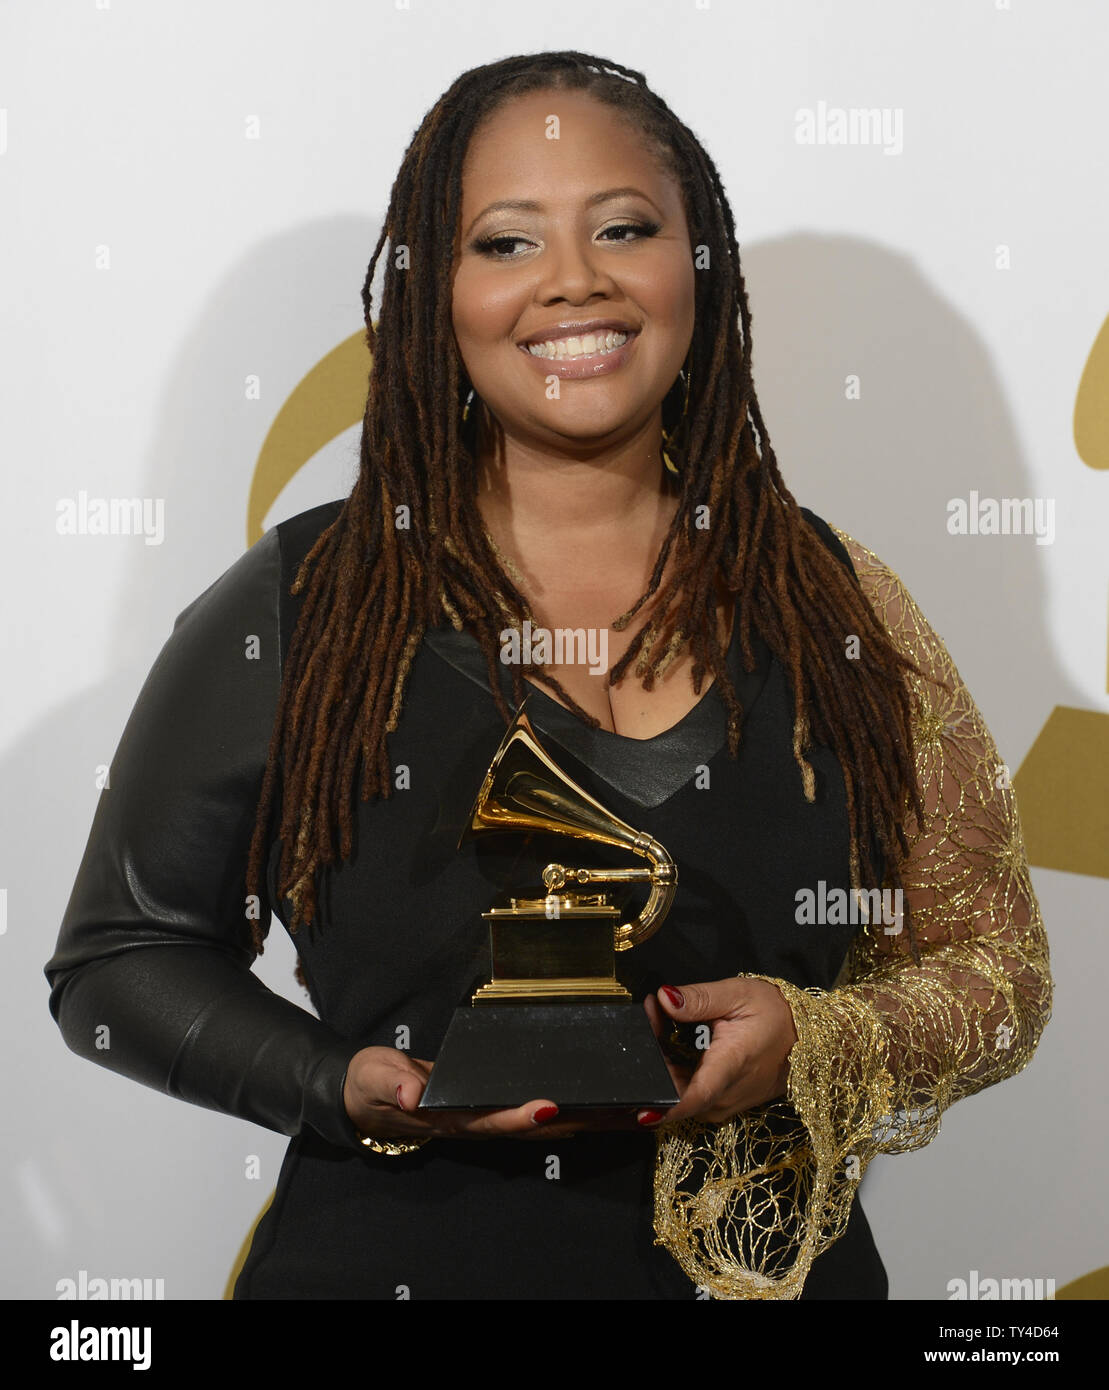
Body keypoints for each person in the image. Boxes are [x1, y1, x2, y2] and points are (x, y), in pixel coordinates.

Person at [44, 51, 1053, 1301]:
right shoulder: (306, 604)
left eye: (623, 228)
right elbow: (115, 961)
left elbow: (995, 970)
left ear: (698, 262)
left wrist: (817, 1038)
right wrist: (334, 1082)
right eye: (504, 243)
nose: (572, 280)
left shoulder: (839, 600)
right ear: (433, 292)